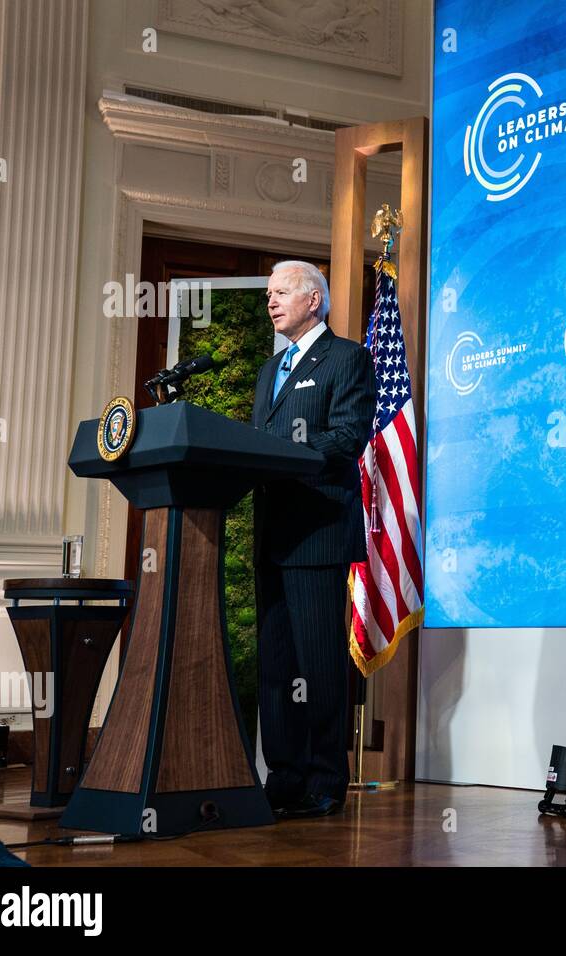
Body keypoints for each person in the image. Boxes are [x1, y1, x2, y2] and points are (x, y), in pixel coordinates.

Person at [251, 260, 374, 818]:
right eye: (269, 294)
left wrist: (282, 454)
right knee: (277, 668)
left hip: (318, 533)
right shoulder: (269, 369)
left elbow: (348, 437)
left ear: (314, 300)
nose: (271, 302)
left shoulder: (347, 358)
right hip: (272, 536)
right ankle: (284, 775)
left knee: (320, 663)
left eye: (280, 293)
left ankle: (326, 779)